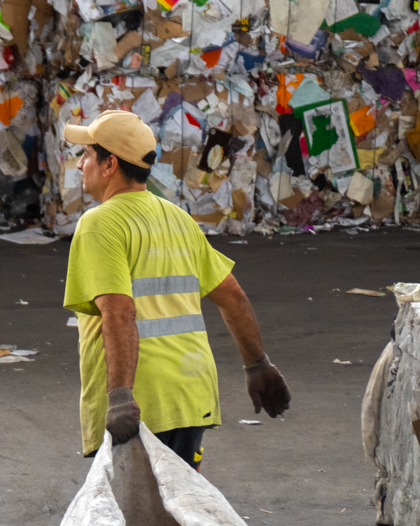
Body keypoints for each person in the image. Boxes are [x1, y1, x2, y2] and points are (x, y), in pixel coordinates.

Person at [62, 110, 291, 469]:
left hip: (142, 401)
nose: (80, 164)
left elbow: (119, 311)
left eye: (87, 155)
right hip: (189, 395)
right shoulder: (178, 218)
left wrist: (120, 397)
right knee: (179, 514)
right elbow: (232, 297)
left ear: (109, 165)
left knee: (134, 519)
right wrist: (257, 364)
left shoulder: (100, 223)